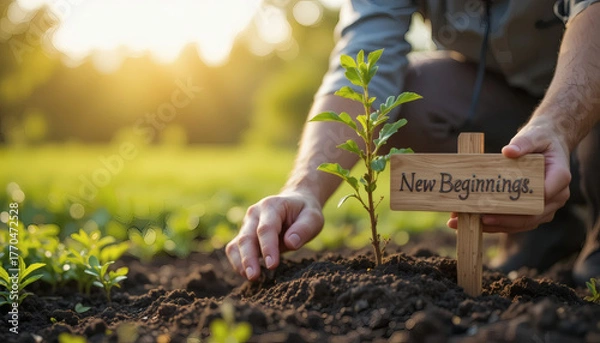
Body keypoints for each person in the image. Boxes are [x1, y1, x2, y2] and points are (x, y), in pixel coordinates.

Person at [226, 0, 600, 286]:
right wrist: (304, 188)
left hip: (587, 82)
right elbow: (360, 63)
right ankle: (547, 229)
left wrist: (558, 124)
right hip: (508, 100)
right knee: (412, 98)